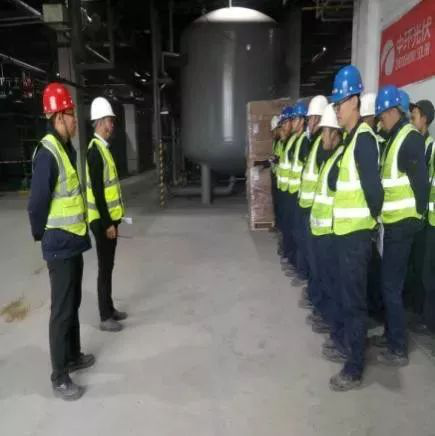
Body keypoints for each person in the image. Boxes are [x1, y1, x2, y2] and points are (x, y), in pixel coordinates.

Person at [28, 82, 94, 401]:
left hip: (73, 242)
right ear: (57, 117)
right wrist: (43, 235)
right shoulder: (48, 153)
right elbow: (37, 204)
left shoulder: (65, 147)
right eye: (70, 114)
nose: (74, 120)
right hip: (59, 245)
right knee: (62, 310)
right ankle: (59, 376)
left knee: (73, 303)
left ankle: (73, 355)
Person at [328, 65, 383, 391]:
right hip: (346, 234)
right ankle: (351, 348)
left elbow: (374, 192)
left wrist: (367, 225)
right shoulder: (350, 140)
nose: (336, 109)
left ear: (353, 101)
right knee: (348, 297)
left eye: (339, 103)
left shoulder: (362, 140)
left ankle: (354, 368)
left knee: (354, 302)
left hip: (355, 237)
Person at [372, 85, 428, 366]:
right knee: (389, 284)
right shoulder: (394, 138)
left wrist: (416, 217)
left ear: (394, 111)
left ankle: (397, 348)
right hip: (392, 224)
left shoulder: (409, 139)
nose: (381, 119)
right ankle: (390, 333)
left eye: (383, 114)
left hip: (402, 225)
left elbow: (421, 185)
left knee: (391, 286)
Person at [87, 97, 127, 332]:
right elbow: (98, 193)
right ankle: (104, 317)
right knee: (104, 268)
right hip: (102, 222)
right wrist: (107, 224)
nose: (112, 124)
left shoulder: (103, 149)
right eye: (110, 120)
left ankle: (110, 309)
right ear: (101, 122)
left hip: (109, 220)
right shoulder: (95, 152)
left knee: (108, 266)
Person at [309, 103, 345, 357]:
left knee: (336, 289)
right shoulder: (331, 156)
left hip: (333, 235)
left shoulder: (340, 160)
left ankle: (340, 338)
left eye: (325, 132)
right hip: (323, 233)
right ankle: (334, 328)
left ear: (336, 133)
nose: (322, 137)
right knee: (328, 284)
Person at [297, 95, 328, 322]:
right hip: (311, 208)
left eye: (310, 119)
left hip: (320, 214)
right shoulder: (314, 142)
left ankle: (320, 306)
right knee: (313, 260)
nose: (308, 123)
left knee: (319, 265)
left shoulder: (323, 144)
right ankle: (316, 299)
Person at [408, 99, 435, 334]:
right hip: (420, 218)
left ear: (424, 119)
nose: (411, 120)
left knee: (427, 272)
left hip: (428, 220)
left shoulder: (429, 148)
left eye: (414, 116)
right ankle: (418, 312)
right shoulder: (417, 144)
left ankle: (427, 320)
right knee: (417, 268)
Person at [287, 101, 310, 286]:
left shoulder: (304, 142)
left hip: (301, 196)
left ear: (302, 120)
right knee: (295, 232)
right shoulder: (295, 140)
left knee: (302, 236)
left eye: (295, 119)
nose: (292, 122)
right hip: (293, 192)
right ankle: (297, 265)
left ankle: (302, 271)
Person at [276, 106, 298, 267]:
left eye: (286, 122)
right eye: (282, 124)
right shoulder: (289, 141)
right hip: (286, 189)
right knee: (287, 226)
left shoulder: (300, 141)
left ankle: (294, 260)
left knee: (295, 230)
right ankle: (289, 255)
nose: (283, 127)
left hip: (296, 193)